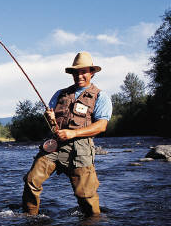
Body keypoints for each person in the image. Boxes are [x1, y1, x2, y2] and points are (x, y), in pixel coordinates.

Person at [22, 52, 112, 216]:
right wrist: (50, 119)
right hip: (54, 146)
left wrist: (73, 134)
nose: (80, 75)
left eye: (83, 71)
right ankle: (30, 219)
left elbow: (101, 126)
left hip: (81, 150)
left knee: (86, 196)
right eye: (76, 72)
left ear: (91, 72)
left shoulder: (101, 96)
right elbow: (52, 124)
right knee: (31, 181)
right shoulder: (60, 94)